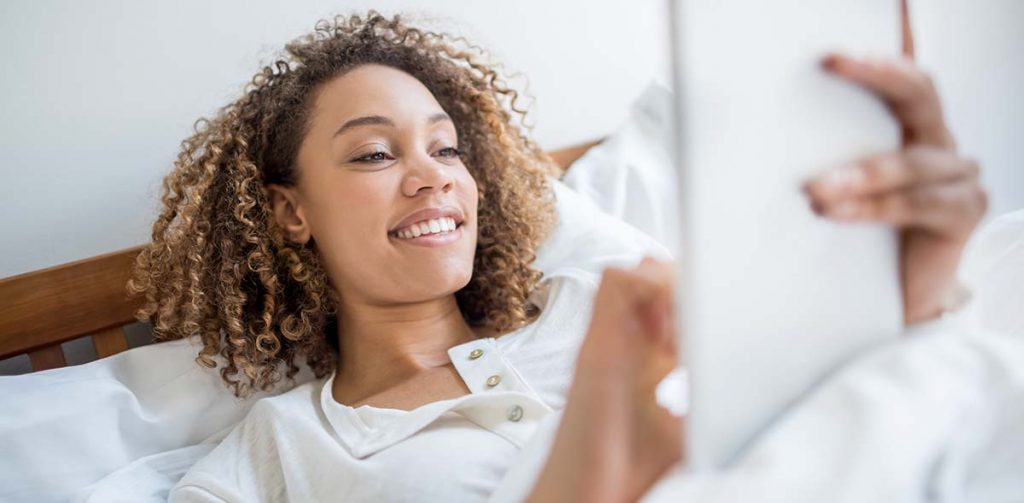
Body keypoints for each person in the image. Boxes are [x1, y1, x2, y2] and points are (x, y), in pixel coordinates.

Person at [132, 11, 985, 502]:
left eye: (448, 148)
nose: (433, 178)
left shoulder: (595, 301)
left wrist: (918, 283)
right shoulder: (281, 450)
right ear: (287, 212)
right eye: (374, 154)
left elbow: (813, 410)